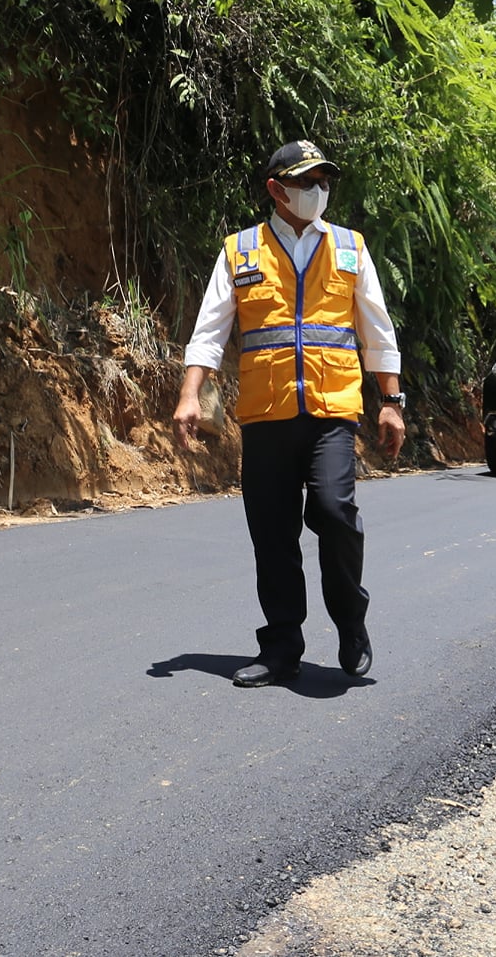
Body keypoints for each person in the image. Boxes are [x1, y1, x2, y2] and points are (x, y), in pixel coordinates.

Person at [172, 140, 405, 688]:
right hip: (267, 414)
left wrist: (391, 402)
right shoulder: (240, 250)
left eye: (324, 180)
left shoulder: (350, 247)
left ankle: (351, 620)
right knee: (272, 534)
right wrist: (189, 394)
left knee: (333, 510)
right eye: (306, 181)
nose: (317, 191)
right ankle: (281, 648)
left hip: (332, 410)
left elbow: (377, 328)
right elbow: (210, 331)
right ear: (277, 189)